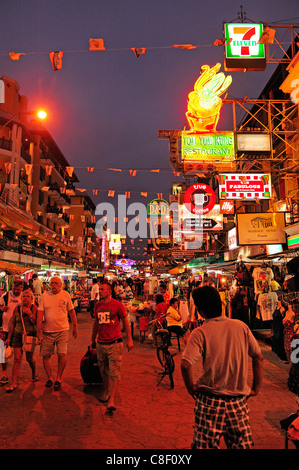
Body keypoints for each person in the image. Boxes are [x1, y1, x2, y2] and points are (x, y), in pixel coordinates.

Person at [181, 286, 263, 449]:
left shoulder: (200, 332)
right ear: (221, 304)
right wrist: (255, 388)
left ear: (200, 311)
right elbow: (258, 357)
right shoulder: (241, 327)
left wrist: (190, 387)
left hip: (209, 402)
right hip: (237, 403)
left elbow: (185, 364)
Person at [91, 282, 133, 415]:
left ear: (109, 291)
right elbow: (96, 322)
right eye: (100, 289)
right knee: (103, 370)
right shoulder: (97, 305)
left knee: (114, 372)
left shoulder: (118, 305)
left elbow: (126, 322)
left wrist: (130, 339)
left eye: (102, 289)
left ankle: (112, 399)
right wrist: (92, 339)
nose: (100, 291)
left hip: (115, 343)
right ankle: (108, 390)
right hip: (101, 343)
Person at [37, 276, 78, 391]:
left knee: (62, 354)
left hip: (63, 329)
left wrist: (75, 326)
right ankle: (50, 377)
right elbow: (40, 313)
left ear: (60, 285)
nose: (53, 285)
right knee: (46, 355)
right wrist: (39, 330)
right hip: (47, 331)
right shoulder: (44, 296)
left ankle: (59, 378)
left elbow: (71, 311)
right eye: (51, 283)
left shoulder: (65, 295)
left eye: (56, 283)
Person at [5, 289, 38, 392]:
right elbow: (12, 323)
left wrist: (29, 313)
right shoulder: (17, 308)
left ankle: (34, 372)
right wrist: (9, 338)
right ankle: (13, 382)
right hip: (18, 335)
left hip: (29, 336)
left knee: (29, 359)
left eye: (28, 297)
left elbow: (35, 322)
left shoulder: (34, 307)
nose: (25, 299)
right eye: (24, 297)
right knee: (17, 359)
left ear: (31, 299)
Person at [0, 280, 23, 386]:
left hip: (18, 330)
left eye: (18, 289)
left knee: (17, 356)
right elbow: (0, 306)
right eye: (14, 288)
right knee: (2, 353)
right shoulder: (6, 295)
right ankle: (4, 374)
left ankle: (15, 375)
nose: (15, 291)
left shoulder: (24, 297)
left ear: (21, 288)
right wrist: (2, 308)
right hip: (5, 328)